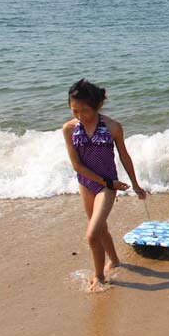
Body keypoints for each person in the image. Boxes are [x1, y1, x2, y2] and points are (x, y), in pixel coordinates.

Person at [62, 79, 146, 292]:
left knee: (92, 234)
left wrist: (135, 185)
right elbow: (77, 166)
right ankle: (115, 260)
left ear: (98, 106)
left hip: (107, 187)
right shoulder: (69, 129)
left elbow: (125, 156)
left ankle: (99, 276)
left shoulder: (113, 127)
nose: (80, 115)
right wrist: (109, 181)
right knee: (101, 229)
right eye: (75, 110)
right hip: (87, 183)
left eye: (85, 110)